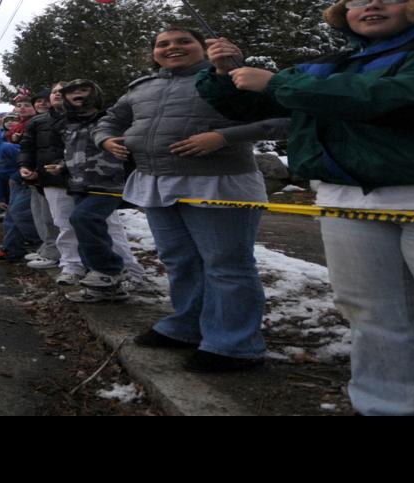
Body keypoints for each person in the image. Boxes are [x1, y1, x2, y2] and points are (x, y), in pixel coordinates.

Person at [199, 0, 414, 414]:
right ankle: (386, 408)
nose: (368, 4)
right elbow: (253, 104)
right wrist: (223, 73)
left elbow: (397, 97)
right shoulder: (332, 66)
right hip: (348, 203)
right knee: (373, 321)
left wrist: (278, 84)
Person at [96, 28, 290, 372]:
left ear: (204, 47)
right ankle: (188, 325)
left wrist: (222, 137)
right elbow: (110, 119)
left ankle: (235, 344)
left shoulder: (232, 78)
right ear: (153, 52)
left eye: (183, 41)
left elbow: (285, 119)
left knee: (227, 265)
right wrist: (106, 139)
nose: (172, 48)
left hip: (219, 183)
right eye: (163, 43)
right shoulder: (141, 87)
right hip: (155, 182)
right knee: (179, 260)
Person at [58, 79, 149, 299]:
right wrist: (62, 167)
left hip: (109, 183)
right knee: (83, 226)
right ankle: (102, 287)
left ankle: (109, 270)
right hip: (80, 184)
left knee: (84, 218)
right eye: (72, 92)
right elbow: (76, 153)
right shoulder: (67, 125)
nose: (78, 94)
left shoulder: (109, 120)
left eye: (84, 89)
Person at [0, 120, 40, 264]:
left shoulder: (7, 148)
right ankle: (12, 250)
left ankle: (40, 244)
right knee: (10, 219)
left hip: (29, 184)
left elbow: (27, 161)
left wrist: (18, 176)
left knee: (18, 213)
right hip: (16, 187)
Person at [17, 87, 65, 271]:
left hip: (57, 177)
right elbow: (28, 149)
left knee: (56, 220)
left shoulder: (64, 122)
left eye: (45, 100)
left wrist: (42, 171)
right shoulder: (36, 123)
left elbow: (56, 151)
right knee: (43, 216)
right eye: (38, 101)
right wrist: (26, 167)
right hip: (39, 179)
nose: (42, 104)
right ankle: (48, 248)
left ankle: (57, 255)